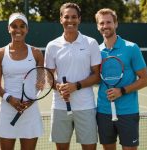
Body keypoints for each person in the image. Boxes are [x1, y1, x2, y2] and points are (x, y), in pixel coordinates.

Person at [44, 2, 101, 150]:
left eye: (74, 17)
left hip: (85, 106)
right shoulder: (52, 46)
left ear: (79, 19)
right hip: (60, 107)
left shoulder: (91, 43)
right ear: (61, 19)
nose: (70, 20)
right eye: (67, 17)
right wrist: (59, 87)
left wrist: (75, 86)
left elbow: (97, 76)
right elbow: (48, 77)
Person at [95, 8, 147, 150]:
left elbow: (145, 79)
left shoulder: (131, 48)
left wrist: (122, 91)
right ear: (97, 26)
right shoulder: (96, 51)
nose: (105, 26)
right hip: (104, 111)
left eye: (109, 22)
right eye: (102, 23)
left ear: (116, 24)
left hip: (128, 111)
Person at [0, 13, 44, 150]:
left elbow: (40, 83)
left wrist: (32, 99)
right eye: (14, 26)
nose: (18, 30)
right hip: (7, 110)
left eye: (22, 26)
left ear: (27, 29)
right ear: (8, 28)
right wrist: (10, 99)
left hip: (30, 111)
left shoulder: (37, 53)